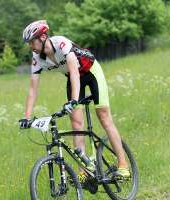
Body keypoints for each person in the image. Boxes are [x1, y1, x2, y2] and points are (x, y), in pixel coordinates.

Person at [18, 20, 130, 185]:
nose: (30, 46)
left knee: (104, 117)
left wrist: (74, 101)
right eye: (28, 43)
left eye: (32, 41)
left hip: (91, 72)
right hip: (72, 78)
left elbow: (75, 73)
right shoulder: (37, 58)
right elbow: (33, 90)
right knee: (76, 123)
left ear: (43, 37)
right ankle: (84, 171)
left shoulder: (61, 43)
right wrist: (27, 117)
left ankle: (123, 165)